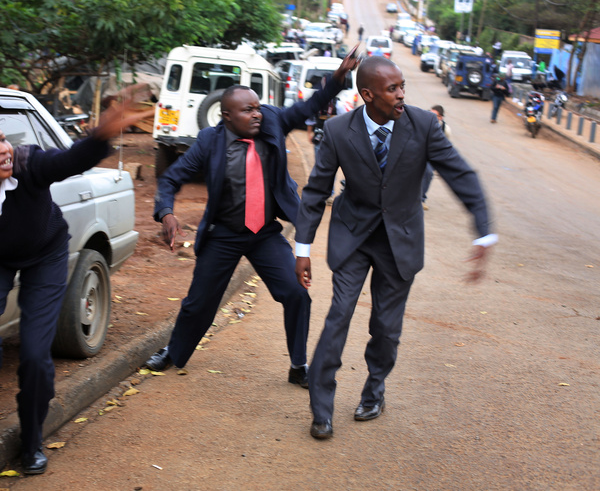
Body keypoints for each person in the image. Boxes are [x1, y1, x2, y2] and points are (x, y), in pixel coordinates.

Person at [0, 88, 149, 474]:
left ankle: (32, 436)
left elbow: (71, 160)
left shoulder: (27, 163)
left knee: (36, 356)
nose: (5, 148)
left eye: (3, 138)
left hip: (44, 254)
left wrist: (100, 136)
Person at [293, 56, 495, 440]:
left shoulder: (423, 124)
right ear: (368, 95)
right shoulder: (337, 131)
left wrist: (483, 231)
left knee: (386, 328)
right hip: (353, 237)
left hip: (399, 241)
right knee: (338, 316)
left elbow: (460, 174)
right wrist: (302, 248)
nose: (402, 94)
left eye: (402, 85)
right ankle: (321, 409)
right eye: (392, 89)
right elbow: (316, 191)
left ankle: (374, 390)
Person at [143, 53, 361, 388]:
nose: (257, 114)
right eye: (248, 110)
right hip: (224, 234)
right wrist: (167, 213)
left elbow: (307, 108)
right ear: (227, 116)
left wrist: (336, 79)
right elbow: (171, 178)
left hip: (264, 233)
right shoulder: (208, 142)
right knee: (198, 302)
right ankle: (174, 350)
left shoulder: (271, 121)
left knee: (296, 294)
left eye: (257, 107)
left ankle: (298, 365)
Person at [420, 105, 452, 209]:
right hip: (417, 153)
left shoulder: (445, 129)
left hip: (430, 156)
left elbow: (445, 146)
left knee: (428, 174)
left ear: (440, 117)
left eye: (434, 115)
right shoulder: (422, 123)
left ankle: (421, 199)